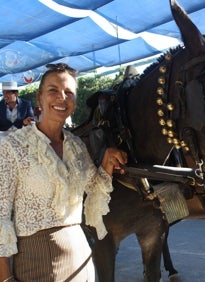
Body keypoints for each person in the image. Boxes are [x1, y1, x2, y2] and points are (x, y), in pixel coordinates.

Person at [0, 63, 127, 282]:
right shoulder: (12, 146)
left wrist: (106, 161)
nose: (62, 97)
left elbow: (94, 188)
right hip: (37, 264)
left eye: (69, 92)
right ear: (39, 98)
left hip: (82, 257)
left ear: (75, 102)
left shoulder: (76, 145)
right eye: (53, 90)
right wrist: (5, 278)